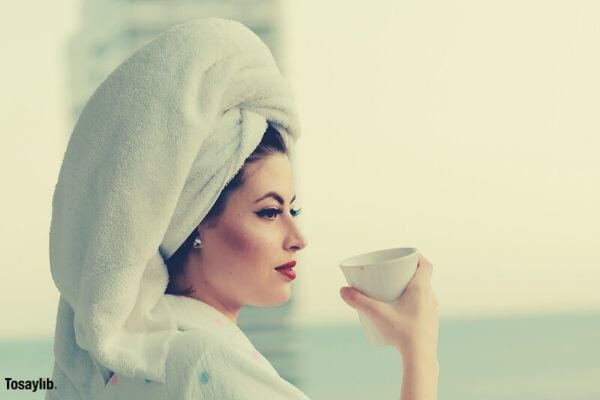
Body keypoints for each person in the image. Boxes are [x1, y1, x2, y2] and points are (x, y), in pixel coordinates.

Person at [47, 17, 439, 400]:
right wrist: (420, 351)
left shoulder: (140, 364)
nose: (298, 239)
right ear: (194, 222)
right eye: (269, 212)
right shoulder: (207, 365)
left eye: (293, 211)